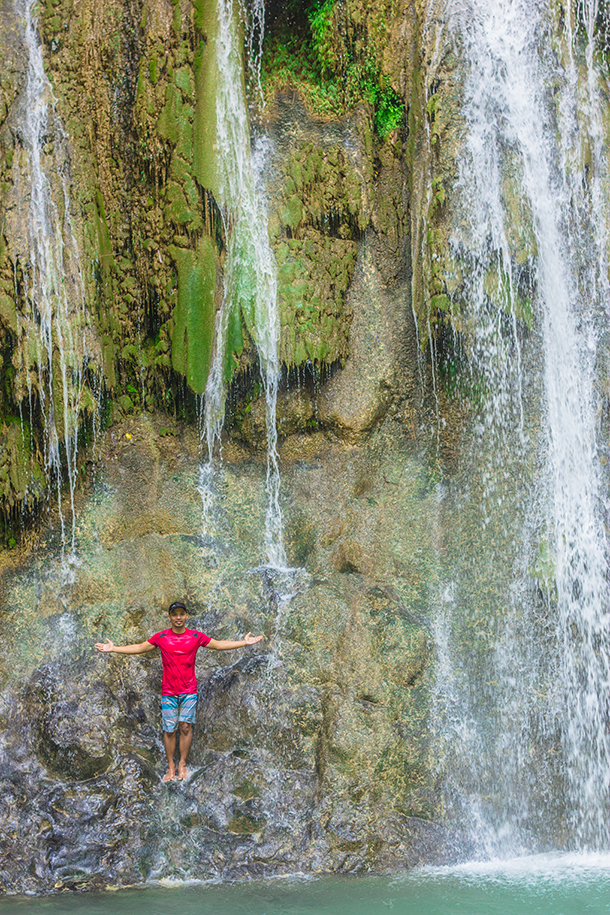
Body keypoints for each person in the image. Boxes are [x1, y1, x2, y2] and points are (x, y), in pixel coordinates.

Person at [95, 601, 263, 782]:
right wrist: (114, 649)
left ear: (186, 616)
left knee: (185, 726)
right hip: (168, 692)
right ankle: (171, 766)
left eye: (182, 614)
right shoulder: (161, 637)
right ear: (169, 617)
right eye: (175, 614)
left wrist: (243, 643)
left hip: (189, 691)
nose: (178, 617)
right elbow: (139, 648)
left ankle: (182, 763)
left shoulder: (196, 636)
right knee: (169, 730)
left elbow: (218, 645)